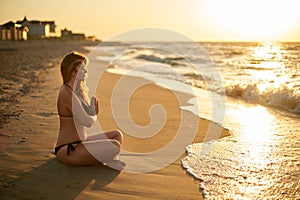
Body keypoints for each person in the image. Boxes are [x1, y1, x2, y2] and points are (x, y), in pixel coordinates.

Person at [54, 51, 126, 171]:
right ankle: (109, 160)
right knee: (115, 145)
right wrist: (94, 114)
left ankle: (110, 160)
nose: (86, 71)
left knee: (117, 135)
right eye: (82, 69)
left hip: (81, 143)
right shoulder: (66, 93)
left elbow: (85, 117)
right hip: (69, 150)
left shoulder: (75, 91)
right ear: (73, 72)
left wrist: (91, 110)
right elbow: (88, 122)